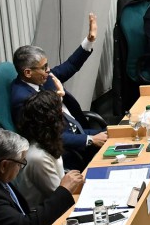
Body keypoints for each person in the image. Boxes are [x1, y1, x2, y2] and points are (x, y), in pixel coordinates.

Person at [11, 13, 107, 171]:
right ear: (28, 72)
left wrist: (89, 41)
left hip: (78, 131)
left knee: (119, 136)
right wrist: (90, 140)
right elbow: (47, 137)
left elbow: (70, 65)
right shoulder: (22, 100)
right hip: (66, 150)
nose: (48, 71)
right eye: (43, 68)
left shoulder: (42, 78)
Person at [14, 90, 66, 207]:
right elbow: (61, 196)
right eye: (59, 110)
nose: (62, 113)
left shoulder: (47, 142)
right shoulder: (38, 157)